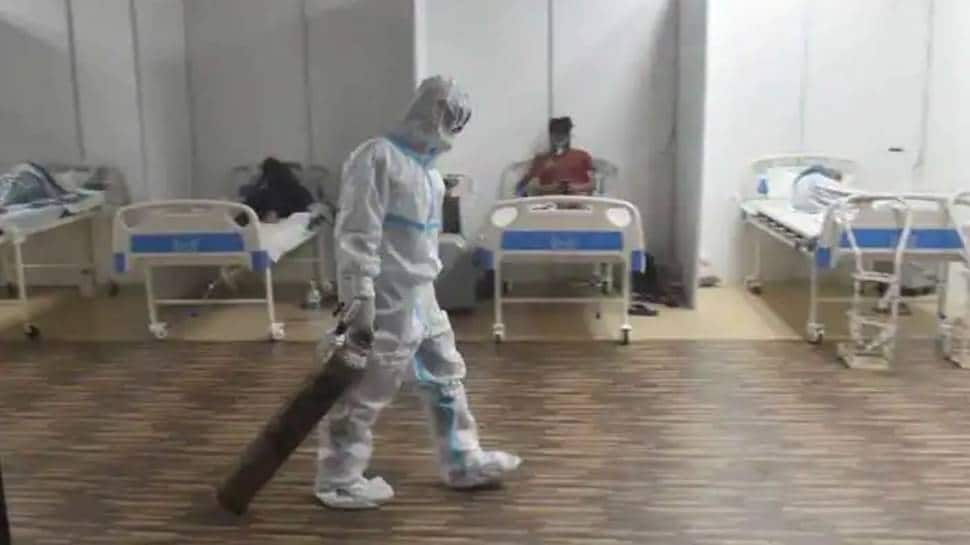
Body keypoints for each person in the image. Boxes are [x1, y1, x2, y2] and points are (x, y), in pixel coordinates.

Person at [314, 75, 521, 510]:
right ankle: (339, 478)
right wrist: (359, 296)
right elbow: (356, 231)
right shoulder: (377, 157)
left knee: (446, 374)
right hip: (386, 296)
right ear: (434, 111)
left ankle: (461, 459)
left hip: (421, 294)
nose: (455, 128)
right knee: (367, 387)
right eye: (452, 118)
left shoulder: (429, 174)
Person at [516, 116, 595, 197]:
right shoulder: (541, 159)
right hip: (548, 202)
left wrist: (574, 188)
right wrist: (552, 188)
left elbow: (593, 185)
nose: (560, 136)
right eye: (556, 132)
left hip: (578, 201)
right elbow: (531, 187)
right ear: (550, 135)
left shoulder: (583, 156)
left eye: (563, 132)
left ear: (569, 134)